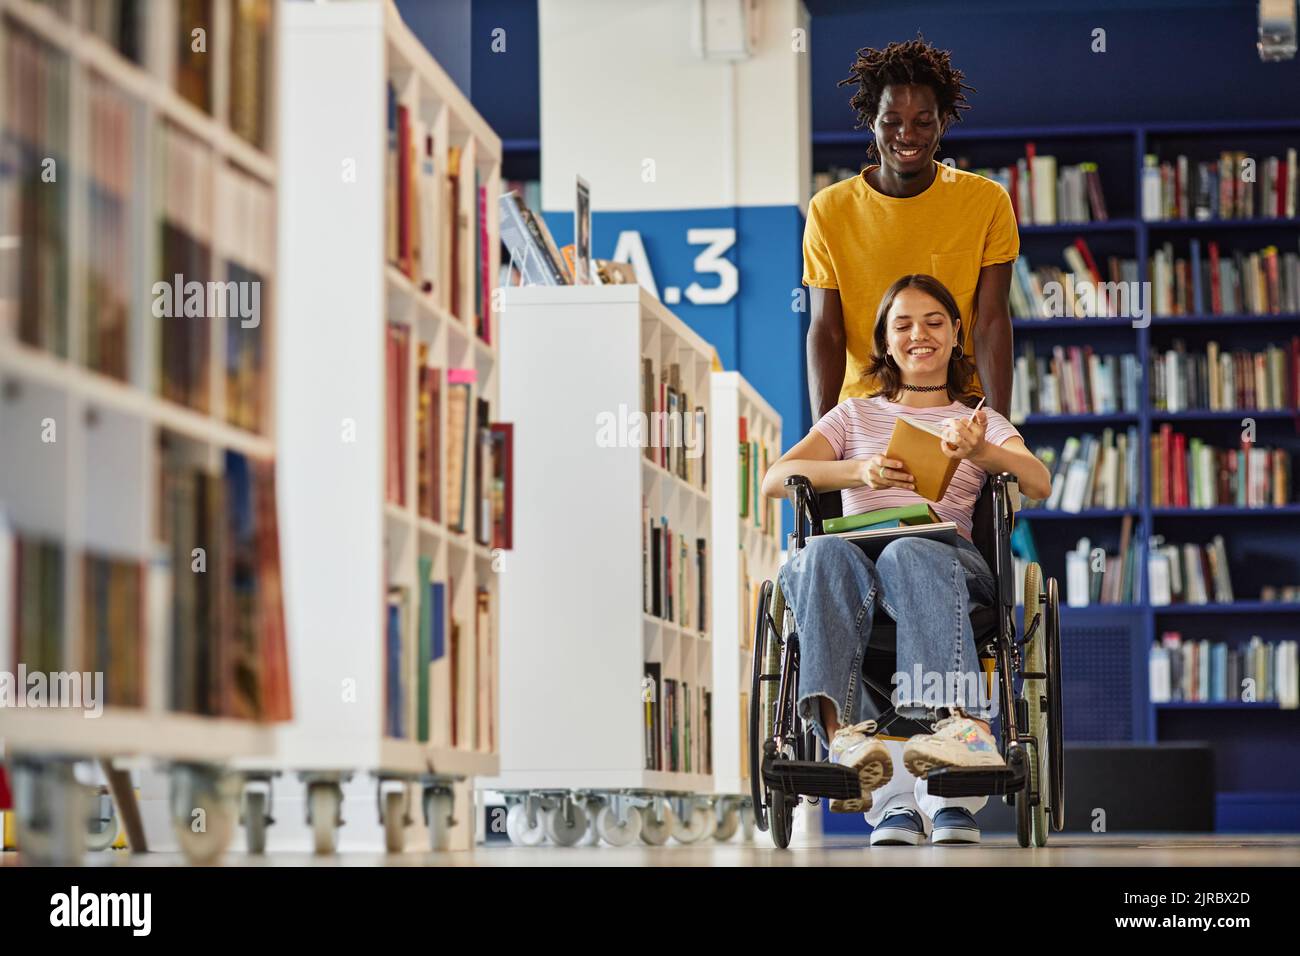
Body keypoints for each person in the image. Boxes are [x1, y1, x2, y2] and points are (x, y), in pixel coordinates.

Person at [762, 274, 1051, 846]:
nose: (920, 334)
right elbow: (776, 477)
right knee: (819, 554)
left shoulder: (979, 420)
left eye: (934, 322)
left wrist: (982, 452)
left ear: (956, 334)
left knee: (910, 551)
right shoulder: (851, 417)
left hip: (948, 564)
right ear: (886, 343)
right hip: (857, 567)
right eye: (904, 325)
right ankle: (847, 743)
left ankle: (960, 743)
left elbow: (1038, 482)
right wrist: (856, 471)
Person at [804, 35, 1018, 426]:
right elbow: (827, 331)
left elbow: (990, 323)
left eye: (923, 121)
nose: (907, 134)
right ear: (872, 122)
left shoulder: (986, 202)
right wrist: (825, 435)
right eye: (892, 122)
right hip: (865, 416)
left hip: (960, 413)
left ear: (943, 123)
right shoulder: (829, 210)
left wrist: (999, 431)